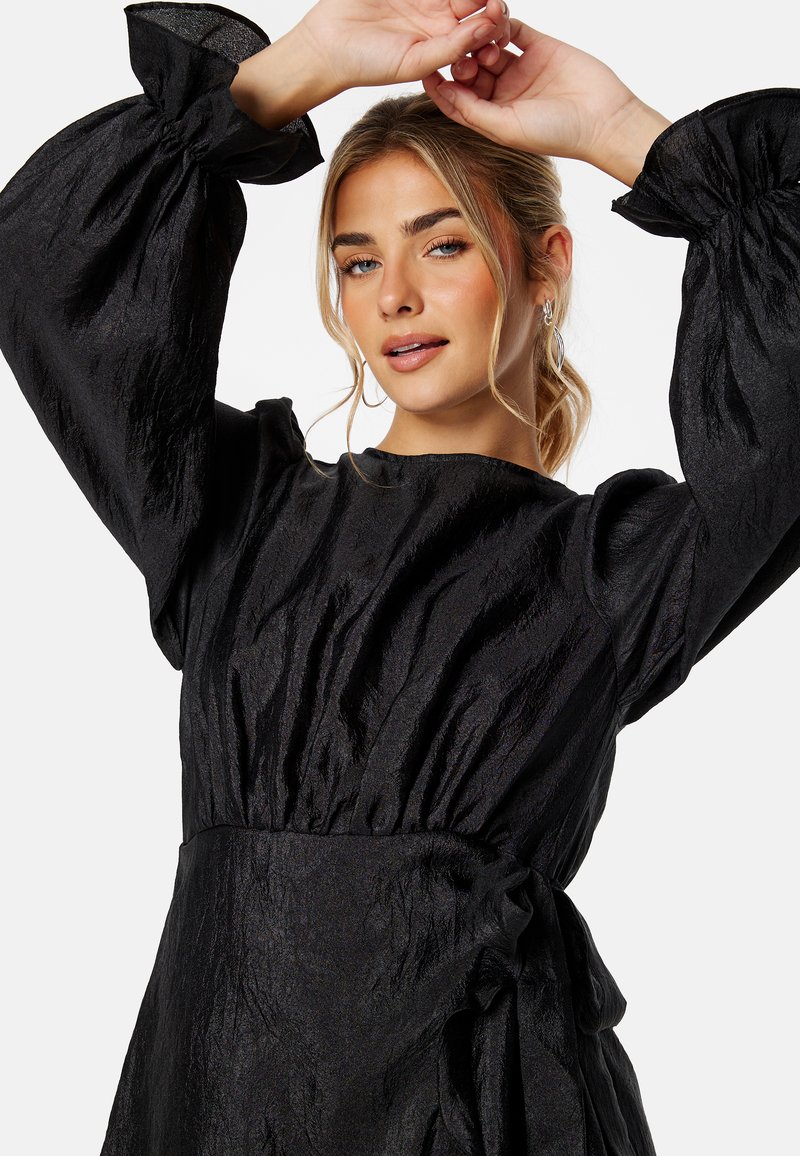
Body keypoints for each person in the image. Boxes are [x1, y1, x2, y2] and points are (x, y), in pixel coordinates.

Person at [0, 0, 797, 1152]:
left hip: (479, 1103)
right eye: (358, 258)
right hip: (214, 1093)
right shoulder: (230, 517)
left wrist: (618, 125)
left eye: (442, 243)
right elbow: (45, 268)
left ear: (543, 267)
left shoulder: (611, 571)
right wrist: (301, 65)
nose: (394, 297)